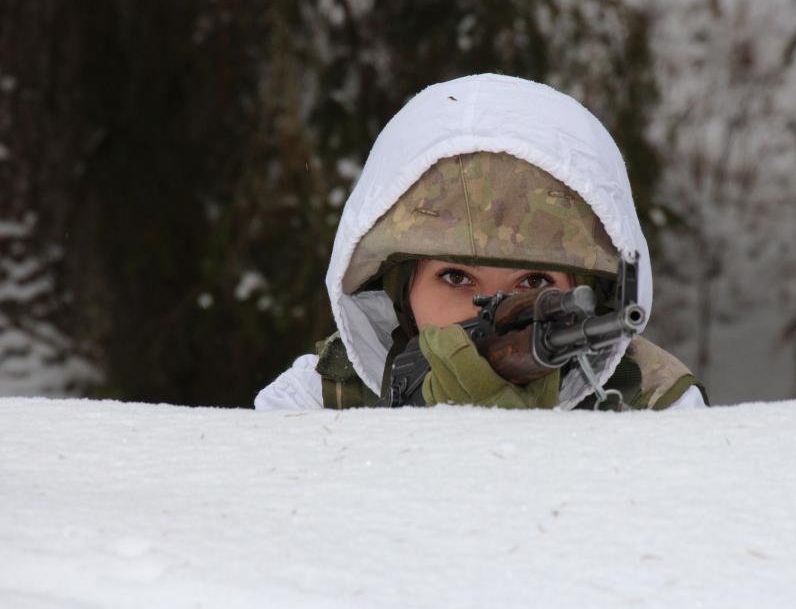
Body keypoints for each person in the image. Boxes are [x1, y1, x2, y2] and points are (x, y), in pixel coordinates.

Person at [255, 74, 708, 411]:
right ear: (400, 289)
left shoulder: (654, 403)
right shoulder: (318, 398)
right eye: (455, 277)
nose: (487, 310)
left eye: (534, 281)